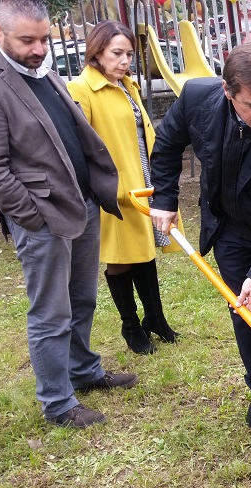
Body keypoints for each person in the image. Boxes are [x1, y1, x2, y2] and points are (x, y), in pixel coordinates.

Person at [0, 0, 138, 428]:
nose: (39, 48)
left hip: (82, 206)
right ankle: (58, 403)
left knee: (82, 299)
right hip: (43, 218)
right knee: (50, 312)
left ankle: (83, 371)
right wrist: (32, 215)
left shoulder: (45, 72)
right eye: (28, 40)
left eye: (44, 38)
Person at [148, 42, 251, 457]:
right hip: (230, 231)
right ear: (228, 91)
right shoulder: (196, 98)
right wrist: (165, 199)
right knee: (244, 314)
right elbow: (168, 145)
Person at [67, 21, 184, 356]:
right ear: (97, 51)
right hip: (113, 187)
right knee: (121, 257)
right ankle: (130, 325)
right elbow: (80, 145)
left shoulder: (125, 85)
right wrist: (103, 185)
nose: (124, 60)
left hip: (143, 177)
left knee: (143, 250)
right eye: (117, 53)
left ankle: (155, 319)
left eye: (129, 54)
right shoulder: (81, 89)